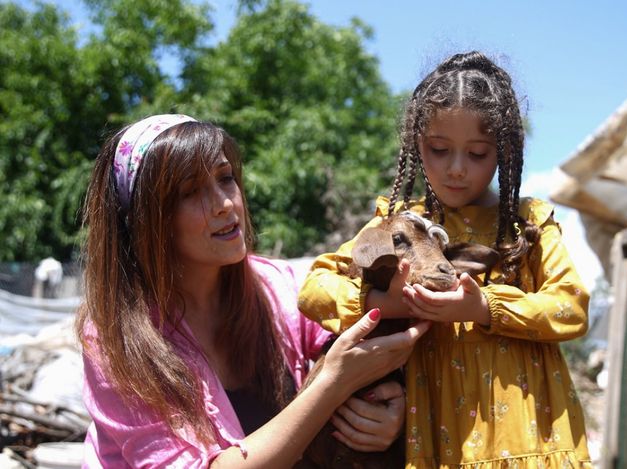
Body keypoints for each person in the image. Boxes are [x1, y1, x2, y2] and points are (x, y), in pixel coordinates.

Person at [76, 114, 430, 468]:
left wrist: (389, 409)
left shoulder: (276, 285)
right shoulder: (115, 338)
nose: (224, 204)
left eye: (225, 178)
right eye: (190, 191)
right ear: (146, 221)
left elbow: (346, 334)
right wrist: (332, 385)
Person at [298, 51, 592, 468]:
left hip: (532, 438)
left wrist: (485, 307)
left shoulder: (527, 224)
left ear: (504, 152)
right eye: (439, 149)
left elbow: (572, 306)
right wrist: (384, 303)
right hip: (436, 441)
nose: (457, 169)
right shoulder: (401, 224)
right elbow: (314, 287)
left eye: (477, 154)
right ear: (419, 143)